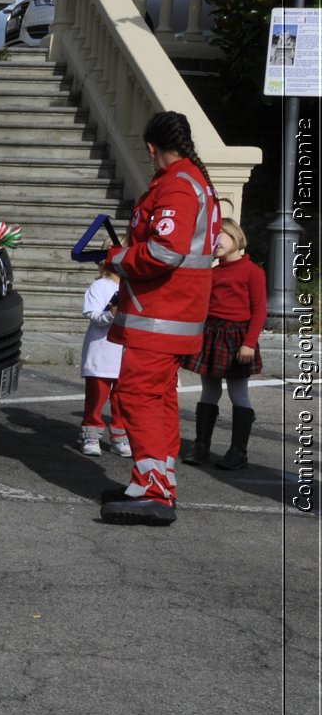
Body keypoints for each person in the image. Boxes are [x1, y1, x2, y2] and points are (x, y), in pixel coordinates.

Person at [101, 111, 220, 527]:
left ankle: (153, 490)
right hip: (173, 316)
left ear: (151, 148)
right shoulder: (191, 182)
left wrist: (117, 258)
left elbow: (164, 252)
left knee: (137, 396)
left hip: (161, 316)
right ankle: (155, 482)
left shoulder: (177, 187)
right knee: (160, 399)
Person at [180, 217, 267, 471]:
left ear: (235, 237)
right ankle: (201, 446)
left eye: (221, 235)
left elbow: (259, 310)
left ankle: (238, 451)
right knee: (209, 390)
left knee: (238, 392)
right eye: (212, 237)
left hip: (237, 338)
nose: (215, 241)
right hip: (211, 335)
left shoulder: (252, 271)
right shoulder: (212, 271)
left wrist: (249, 344)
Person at [78, 255, 129, 458]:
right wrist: (111, 314)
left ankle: (119, 436)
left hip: (125, 351)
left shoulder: (133, 287)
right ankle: (91, 434)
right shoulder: (100, 286)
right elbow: (92, 313)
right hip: (102, 351)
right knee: (96, 397)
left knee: (122, 399)